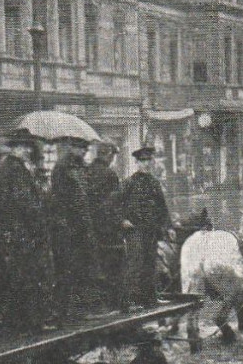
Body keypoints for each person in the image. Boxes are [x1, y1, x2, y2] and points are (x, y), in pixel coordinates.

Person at [0, 128, 50, 336]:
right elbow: (23, 202)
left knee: (22, 278)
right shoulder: (13, 170)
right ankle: (25, 324)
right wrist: (39, 211)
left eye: (27, 146)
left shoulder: (12, 168)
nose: (26, 150)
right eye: (22, 147)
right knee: (24, 278)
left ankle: (25, 323)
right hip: (21, 231)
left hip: (17, 231)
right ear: (14, 148)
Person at [40, 137, 95, 324]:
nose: (84, 152)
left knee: (80, 268)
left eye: (86, 149)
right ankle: (63, 311)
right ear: (72, 148)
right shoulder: (63, 168)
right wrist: (66, 222)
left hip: (80, 225)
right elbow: (62, 199)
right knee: (66, 269)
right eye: (81, 149)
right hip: (68, 227)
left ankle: (76, 309)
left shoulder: (79, 167)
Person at [119, 145, 171, 308]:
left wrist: (167, 226)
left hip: (151, 230)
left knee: (150, 264)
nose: (146, 164)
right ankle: (132, 301)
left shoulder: (154, 183)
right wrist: (122, 220)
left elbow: (162, 207)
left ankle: (149, 298)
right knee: (135, 264)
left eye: (149, 160)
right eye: (143, 161)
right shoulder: (129, 183)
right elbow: (116, 205)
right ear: (137, 162)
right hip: (135, 230)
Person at [81, 140, 127, 313]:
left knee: (97, 267)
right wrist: (121, 221)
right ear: (108, 156)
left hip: (91, 229)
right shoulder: (110, 175)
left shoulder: (87, 172)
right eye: (113, 156)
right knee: (115, 267)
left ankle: (99, 305)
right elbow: (114, 204)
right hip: (109, 231)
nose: (113, 160)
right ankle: (116, 305)